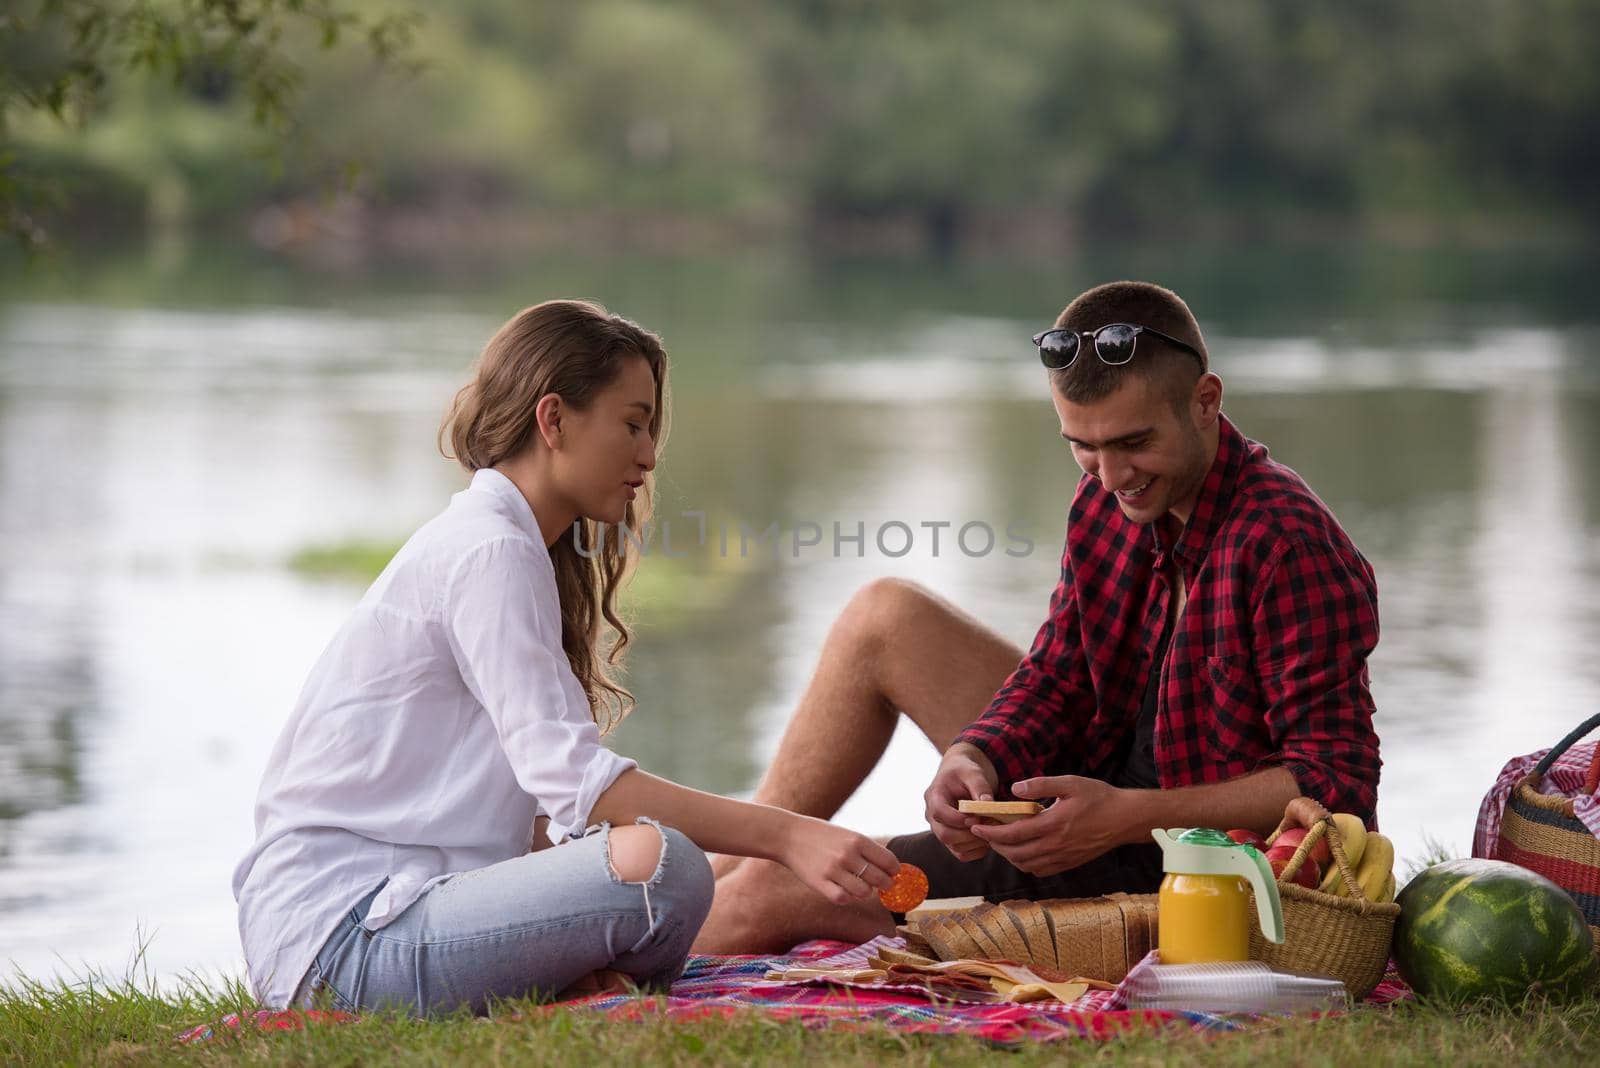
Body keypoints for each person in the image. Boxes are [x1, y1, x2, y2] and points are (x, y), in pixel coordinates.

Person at [233, 299, 899, 1016]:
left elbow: (541, 817)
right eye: (633, 423)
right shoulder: (489, 549)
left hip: (388, 924)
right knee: (665, 868)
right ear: (553, 420)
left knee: (648, 862)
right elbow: (583, 786)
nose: (648, 455)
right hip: (346, 942)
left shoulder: (507, 546)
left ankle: (571, 984)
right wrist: (787, 835)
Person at [697, 280, 1381, 954]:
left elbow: (1335, 784)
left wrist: (1122, 820)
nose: (1110, 476)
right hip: (1088, 809)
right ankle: (716, 876)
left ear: (1206, 401)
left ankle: (664, 937)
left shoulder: (1285, 540)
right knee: (886, 613)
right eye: (1083, 444)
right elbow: (1055, 677)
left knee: (775, 893)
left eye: (1132, 442)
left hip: (1200, 874)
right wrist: (976, 756)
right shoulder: (1107, 502)